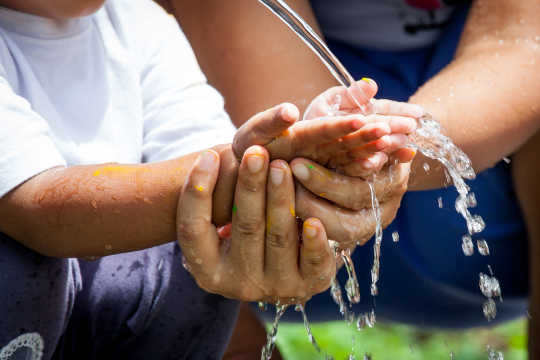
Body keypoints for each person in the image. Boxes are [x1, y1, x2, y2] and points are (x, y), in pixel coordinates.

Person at [0, 0, 424, 358]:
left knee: (202, 245)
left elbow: (209, 155)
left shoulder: (137, 21)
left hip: (108, 321)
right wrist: (251, 171)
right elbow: (42, 209)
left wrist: (300, 159)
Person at [167, 0, 540, 357]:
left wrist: (394, 139)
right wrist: (335, 142)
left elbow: (521, 43)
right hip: (255, 230)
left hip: (491, 166)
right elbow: (284, 123)